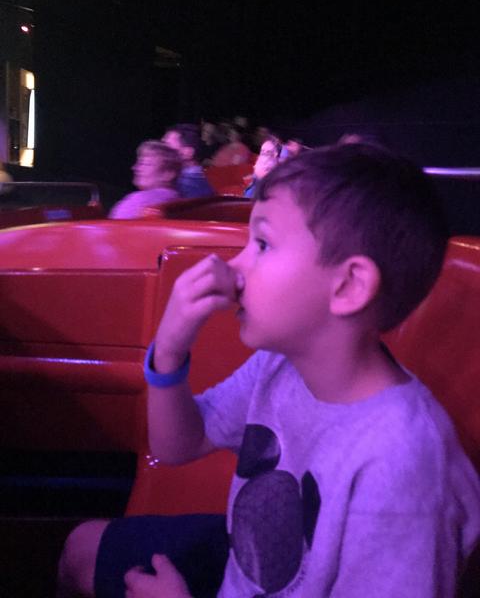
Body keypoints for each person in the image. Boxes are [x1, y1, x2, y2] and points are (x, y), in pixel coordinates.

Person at [57, 142, 480, 598]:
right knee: (80, 548)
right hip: (244, 558)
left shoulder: (403, 462)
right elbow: (176, 445)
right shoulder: (281, 363)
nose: (234, 268)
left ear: (348, 286)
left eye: (261, 244)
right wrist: (171, 350)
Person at [108, 141, 181, 219]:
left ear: (168, 173)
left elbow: (111, 225)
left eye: (145, 164)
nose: (135, 168)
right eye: (139, 164)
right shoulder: (181, 205)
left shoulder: (139, 200)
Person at [162, 124, 214, 199]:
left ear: (188, 153)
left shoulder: (180, 186)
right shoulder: (208, 178)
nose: (159, 151)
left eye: (166, 147)